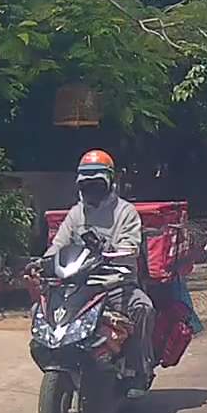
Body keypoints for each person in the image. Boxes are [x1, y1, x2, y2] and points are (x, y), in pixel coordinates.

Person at [45, 150, 155, 398]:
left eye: (96, 183)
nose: (91, 189)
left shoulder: (125, 212)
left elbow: (130, 245)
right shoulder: (76, 213)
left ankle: (137, 371)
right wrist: (43, 262)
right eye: (86, 184)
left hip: (116, 285)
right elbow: (58, 244)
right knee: (41, 311)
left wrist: (116, 252)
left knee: (143, 308)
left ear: (110, 182)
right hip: (80, 286)